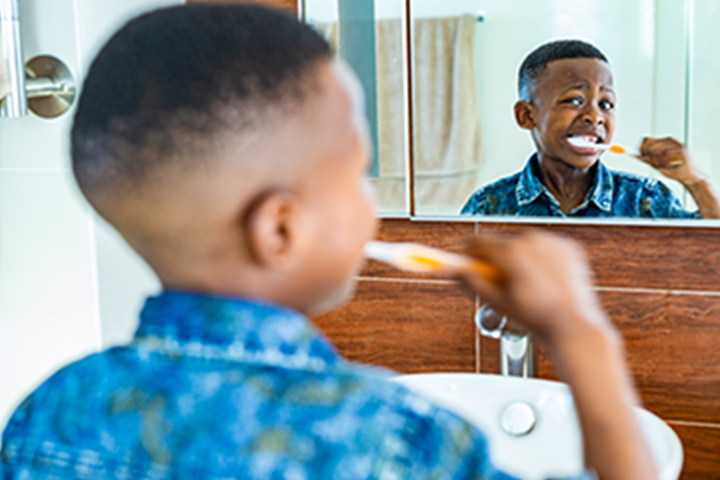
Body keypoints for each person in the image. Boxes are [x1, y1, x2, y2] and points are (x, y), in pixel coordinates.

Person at [0, 5, 656, 480]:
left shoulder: (52, 406)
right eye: (354, 171)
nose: (370, 199)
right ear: (279, 229)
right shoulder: (392, 437)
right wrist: (579, 334)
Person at [461, 39, 720, 219]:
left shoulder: (646, 200)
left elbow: (710, 261)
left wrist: (696, 182)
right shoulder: (489, 206)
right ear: (526, 115)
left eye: (606, 104)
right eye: (574, 101)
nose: (594, 116)